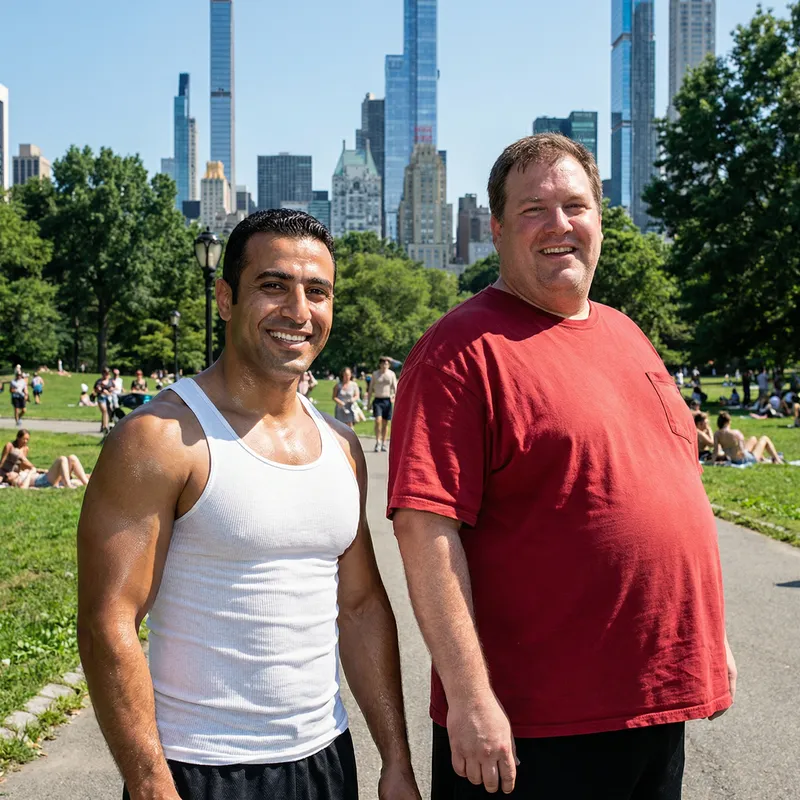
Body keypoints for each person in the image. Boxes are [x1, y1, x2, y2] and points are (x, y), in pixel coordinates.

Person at [387, 133, 735, 798]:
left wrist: (708, 642)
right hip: (531, 732)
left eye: (576, 206)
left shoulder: (627, 334)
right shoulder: (461, 351)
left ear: (600, 218)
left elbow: (670, 493)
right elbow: (425, 533)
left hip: (653, 707)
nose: (559, 226)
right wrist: (471, 698)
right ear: (495, 228)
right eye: (533, 210)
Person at [77, 209, 419, 800]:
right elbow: (109, 622)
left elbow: (360, 608)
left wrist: (395, 760)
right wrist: (149, 782)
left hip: (324, 759)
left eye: (317, 292)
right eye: (273, 286)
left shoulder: (342, 445)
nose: (298, 311)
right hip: (197, 766)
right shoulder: (160, 438)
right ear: (225, 298)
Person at [715, 411, 784, 464]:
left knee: (753, 438)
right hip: (744, 459)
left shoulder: (717, 434)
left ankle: (763, 458)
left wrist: (712, 461)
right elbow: (741, 451)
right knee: (764, 438)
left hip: (733, 458)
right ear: (728, 422)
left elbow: (716, 451)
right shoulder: (736, 433)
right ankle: (777, 460)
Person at [367, 358, 398, 453]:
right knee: (378, 420)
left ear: (388, 365)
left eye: (387, 364)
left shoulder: (391, 374)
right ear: (380, 364)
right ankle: (378, 441)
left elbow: (395, 387)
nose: (385, 365)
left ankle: (384, 443)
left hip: (387, 400)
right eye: (383, 363)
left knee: (386, 423)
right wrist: (368, 402)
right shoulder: (375, 374)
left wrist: (394, 397)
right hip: (378, 400)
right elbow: (370, 388)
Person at [94, 367, 115, 434]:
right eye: (105, 373)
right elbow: (96, 389)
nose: (106, 375)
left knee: (107, 412)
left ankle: (102, 426)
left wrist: (111, 390)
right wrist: (102, 390)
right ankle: (105, 427)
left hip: (109, 398)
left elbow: (114, 387)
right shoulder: (99, 381)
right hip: (101, 397)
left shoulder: (111, 381)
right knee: (104, 410)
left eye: (107, 373)